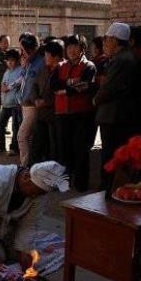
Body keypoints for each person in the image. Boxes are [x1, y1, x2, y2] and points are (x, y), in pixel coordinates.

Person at [0, 161, 68, 262]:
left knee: (22, 256)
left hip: (1, 226)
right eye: (34, 192)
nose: (35, 197)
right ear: (26, 177)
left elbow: (29, 224)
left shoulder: (40, 193)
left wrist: (23, 250)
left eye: (40, 194)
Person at [93, 22, 141, 191]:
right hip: (116, 115)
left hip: (114, 116)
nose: (105, 43)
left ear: (114, 40)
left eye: (106, 39)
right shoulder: (124, 57)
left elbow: (109, 88)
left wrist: (95, 100)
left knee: (111, 155)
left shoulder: (122, 60)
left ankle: (108, 188)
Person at [53, 35, 97, 191]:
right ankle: (65, 182)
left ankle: (80, 184)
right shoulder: (59, 66)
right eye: (69, 46)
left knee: (80, 150)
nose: (71, 50)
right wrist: (71, 84)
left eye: (75, 46)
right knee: (63, 150)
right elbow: (52, 85)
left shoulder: (89, 66)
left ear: (82, 48)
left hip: (82, 113)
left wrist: (63, 89)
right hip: (62, 113)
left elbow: (85, 86)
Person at [31, 39, 65, 164]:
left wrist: (45, 102)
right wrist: (35, 99)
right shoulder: (44, 68)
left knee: (54, 148)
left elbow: (62, 92)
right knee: (37, 146)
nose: (44, 57)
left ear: (55, 56)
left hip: (55, 115)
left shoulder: (64, 69)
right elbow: (34, 84)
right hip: (41, 114)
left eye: (46, 54)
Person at [17, 34, 45, 166]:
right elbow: (24, 81)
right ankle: (30, 164)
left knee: (21, 136)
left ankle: (25, 166)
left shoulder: (41, 63)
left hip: (33, 106)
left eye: (23, 49)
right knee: (29, 138)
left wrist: (34, 99)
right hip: (25, 105)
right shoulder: (29, 62)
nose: (21, 53)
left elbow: (40, 86)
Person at [0, 48, 23, 155]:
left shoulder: (21, 71)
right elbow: (3, 84)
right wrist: (2, 87)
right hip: (6, 104)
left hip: (16, 104)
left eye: (12, 60)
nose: (10, 62)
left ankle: (14, 148)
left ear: (17, 60)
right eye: (8, 60)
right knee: (0, 124)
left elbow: (18, 83)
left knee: (15, 127)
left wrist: (8, 88)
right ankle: (0, 146)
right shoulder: (6, 72)